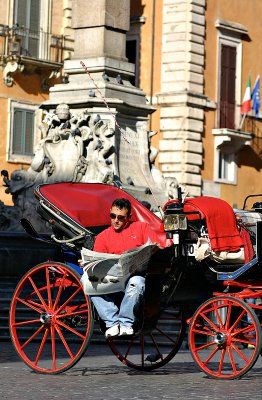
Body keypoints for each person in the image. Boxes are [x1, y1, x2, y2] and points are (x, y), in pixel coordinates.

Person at [83, 197, 165, 338]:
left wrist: (153, 249)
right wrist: (87, 263)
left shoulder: (141, 227)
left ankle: (125, 323)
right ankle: (112, 322)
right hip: (111, 281)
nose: (116, 220)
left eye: (121, 217)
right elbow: (97, 262)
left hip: (134, 277)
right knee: (86, 280)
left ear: (129, 217)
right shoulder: (103, 237)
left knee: (137, 283)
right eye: (113, 216)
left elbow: (157, 246)